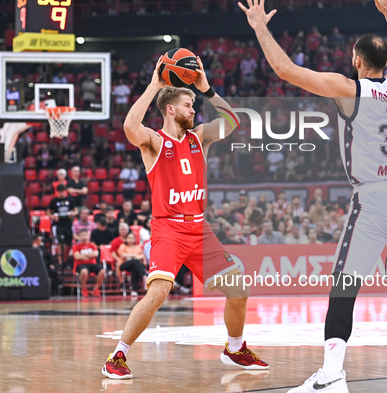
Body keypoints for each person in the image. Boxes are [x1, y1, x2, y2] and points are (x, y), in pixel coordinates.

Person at [241, 0, 387, 391]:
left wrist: (258, 27)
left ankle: (332, 375)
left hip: (375, 199)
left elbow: (286, 70)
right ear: (384, 61)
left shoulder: (349, 89)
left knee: (344, 284)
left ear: (355, 60)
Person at [102, 55, 268, 380]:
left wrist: (206, 88)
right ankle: (118, 354)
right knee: (158, 292)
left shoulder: (200, 137)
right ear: (170, 109)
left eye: (194, 104)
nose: (194, 109)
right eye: (188, 104)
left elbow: (234, 121)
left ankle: (235, 349)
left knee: (239, 290)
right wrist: (154, 85)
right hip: (168, 229)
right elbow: (129, 128)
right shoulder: (154, 141)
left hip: (199, 231)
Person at [47, 184, 78, 268]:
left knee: (69, 243)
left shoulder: (70, 200)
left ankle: (65, 260)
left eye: (63, 191)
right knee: (59, 243)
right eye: (60, 192)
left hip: (68, 223)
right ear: (57, 192)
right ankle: (60, 263)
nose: (62, 193)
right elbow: (48, 211)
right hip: (58, 225)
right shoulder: (54, 201)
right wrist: (52, 216)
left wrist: (72, 214)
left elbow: (75, 210)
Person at [72, 229, 105, 298]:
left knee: (103, 271)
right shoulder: (76, 246)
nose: (84, 237)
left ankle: (95, 289)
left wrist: (83, 256)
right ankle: (84, 289)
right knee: (84, 271)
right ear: (79, 237)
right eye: (82, 235)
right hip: (80, 265)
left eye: (86, 235)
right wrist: (89, 255)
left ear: (88, 236)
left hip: (92, 264)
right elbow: (77, 257)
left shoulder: (92, 245)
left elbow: (95, 254)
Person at [115, 232, 148, 297]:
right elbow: (123, 255)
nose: (131, 239)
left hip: (134, 266)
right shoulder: (123, 246)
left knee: (134, 268)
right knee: (135, 261)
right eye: (129, 238)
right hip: (124, 264)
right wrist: (134, 256)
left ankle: (134, 290)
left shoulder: (138, 247)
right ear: (126, 239)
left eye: (132, 238)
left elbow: (142, 256)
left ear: (135, 239)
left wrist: (131, 256)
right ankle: (144, 276)